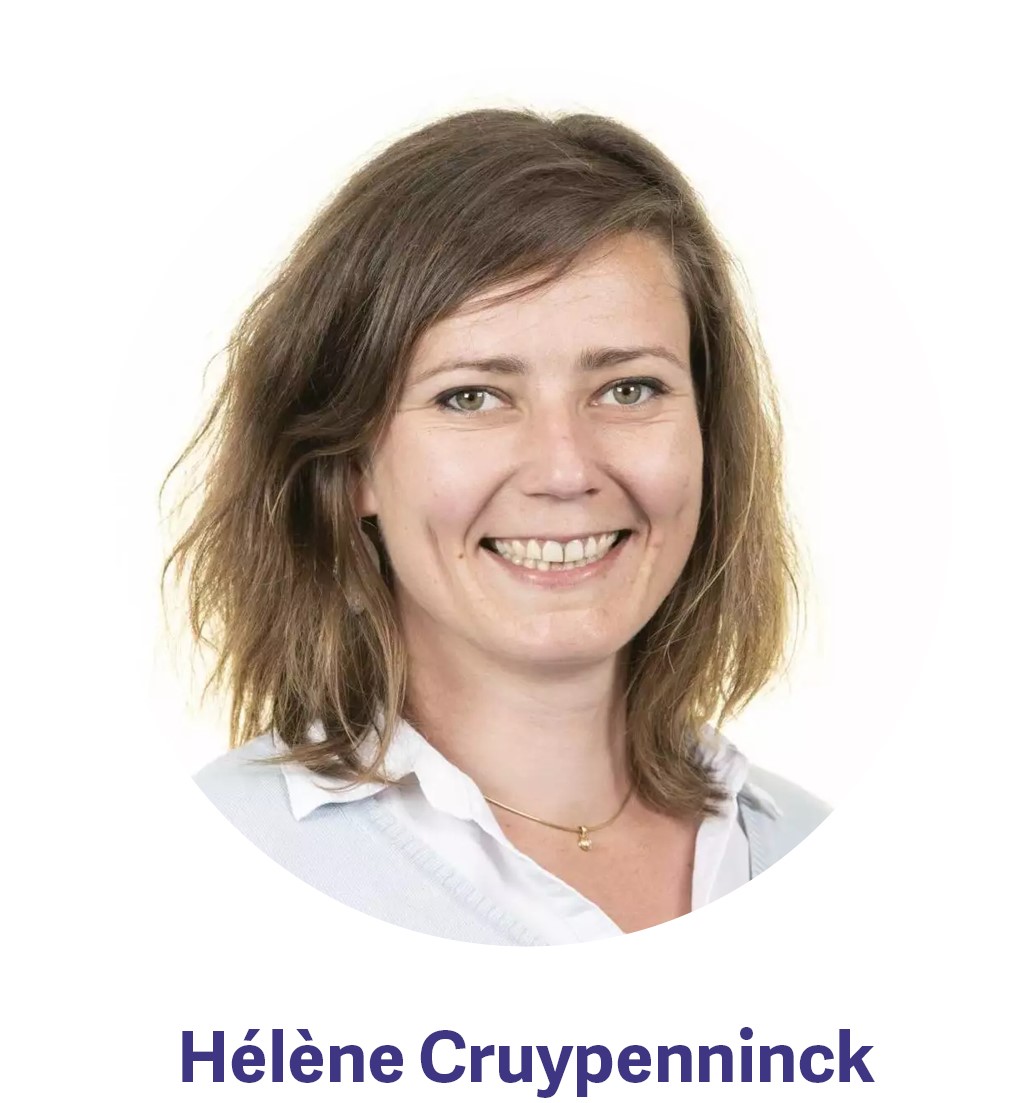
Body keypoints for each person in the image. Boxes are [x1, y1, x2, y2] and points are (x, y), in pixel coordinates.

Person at [162, 106, 829, 946]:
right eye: (471, 396)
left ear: (707, 435)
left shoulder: (817, 851)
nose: (565, 469)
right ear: (352, 463)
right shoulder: (196, 876)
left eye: (629, 389)